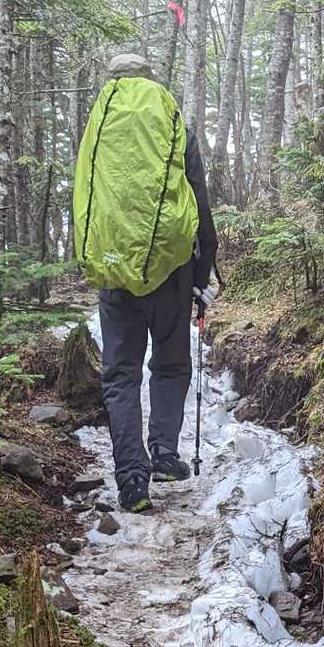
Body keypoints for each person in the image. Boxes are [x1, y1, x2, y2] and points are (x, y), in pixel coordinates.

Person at [72, 53, 218, 513]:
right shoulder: (172, 120)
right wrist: (203, 272)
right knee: (171, 364)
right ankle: (165, 455)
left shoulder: (99, 122)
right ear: (150, 79)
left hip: (115, 269)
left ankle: (132, 481)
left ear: (113, 79)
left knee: (121, 374)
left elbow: (86, 194)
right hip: (171, 271)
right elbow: (198, 198)